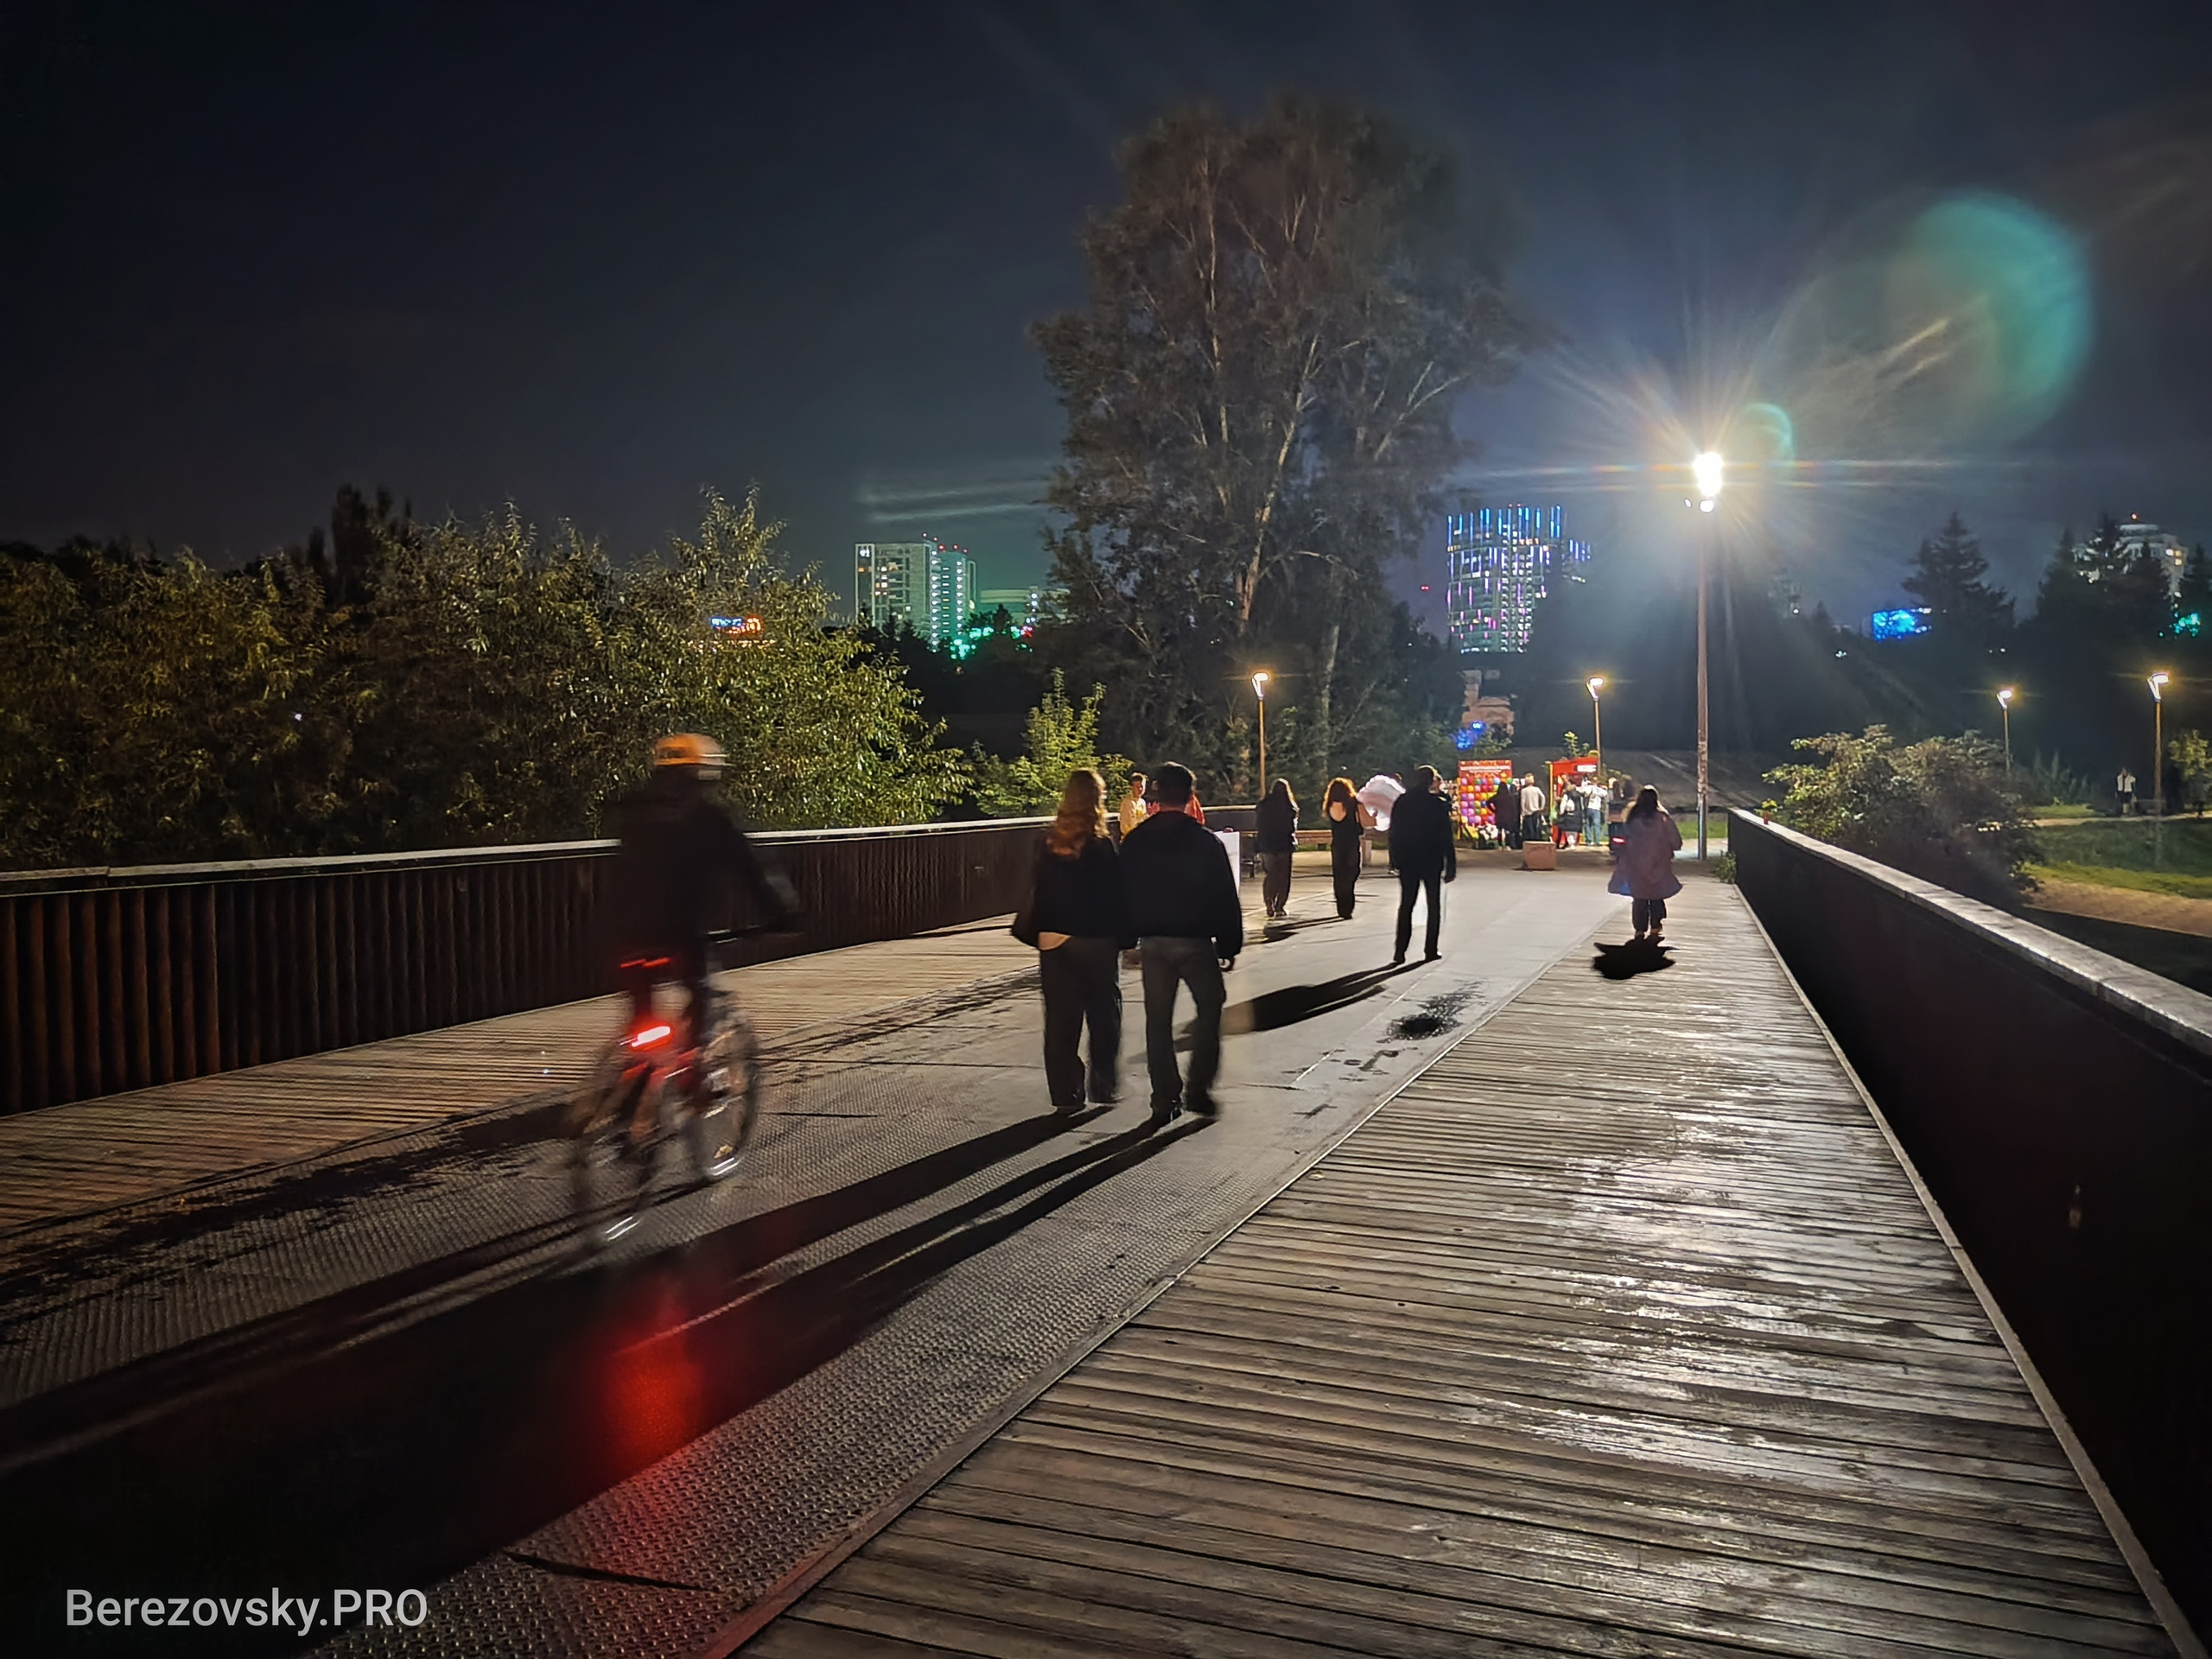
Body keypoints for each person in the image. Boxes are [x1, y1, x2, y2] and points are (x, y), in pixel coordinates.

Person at [602, 734, 797, 1046]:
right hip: (681, 933)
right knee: (701, 993)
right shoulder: (711, 820)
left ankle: (631, 1078)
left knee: (641, 1013)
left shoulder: (633, 810)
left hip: (622, 931)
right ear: (703, 775)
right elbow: (753, 870)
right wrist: (782, 914)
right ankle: (698, 1077)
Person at [1119, 763, 1242, 1121]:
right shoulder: (1206, 843)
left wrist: (1128, 940)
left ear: (1156, 796)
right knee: (1211, 1005)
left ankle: (1165, 1097)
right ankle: (1198, 1088)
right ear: (1190, 797)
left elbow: (1121, 892)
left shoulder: (1136, 842)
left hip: (1153, 942)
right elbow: (1224, 896)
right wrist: (1229, 944)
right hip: (1195, 941)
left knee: (1157, 1019)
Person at [1015, 768, 1131, 1110]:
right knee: (1104, 1015)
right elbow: (1115, 898)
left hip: (1054, 941)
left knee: (1061, 1021)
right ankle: (1103, 1085)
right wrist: (1127, 938)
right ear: (1096, 801)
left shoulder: (1046, 843)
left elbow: (1037, 890)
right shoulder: (1100, 845)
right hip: (1095, 940)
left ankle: (1065, 1093)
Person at [1387, 764, 1457, 964]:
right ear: (1432, 781)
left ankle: (1400, 951)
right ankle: (1430, 949)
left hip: (1408, 859)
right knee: (1433, 905)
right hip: (1431, 860)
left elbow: (1394, 833)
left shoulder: (1403, 802)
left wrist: (1394, 859)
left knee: (1406, 905)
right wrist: (1450, 864)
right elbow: (1446, 837)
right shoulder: (1437, 804)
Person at [1610, 785, 1684, 942]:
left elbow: (1624, 838)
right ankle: (1656, 926)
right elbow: (1676, 841)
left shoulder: (1633, 819)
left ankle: (1639, 929)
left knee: (1639, 897)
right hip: (1659, 863)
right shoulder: (1663, 819)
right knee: (1656, 894)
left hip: (1635, 864)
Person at [1255, 778, 1298, 918]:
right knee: (1283, 877)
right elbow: (1291, 828)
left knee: (1270, 875)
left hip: (1267, 845)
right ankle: (1280, 907)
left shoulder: (1263, 805)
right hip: (1284, 845)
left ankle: (1269, 901)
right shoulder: (1289, 807)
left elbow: (1259, 825)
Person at [1323, 776, 1365, 918]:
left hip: (1337, 844)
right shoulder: (1353, 804)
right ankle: (1348, 905)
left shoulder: (1329, 806)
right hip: (1352, 843)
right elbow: (1362, 823)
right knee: (1352, 872)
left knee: (1339, 875)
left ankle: (1341, 906)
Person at [1491, 776, 1522, 850]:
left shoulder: (1497, 797)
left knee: (1499, 831)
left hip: (1499, 816)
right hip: (1508, 817)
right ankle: (1508, 845)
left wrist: (1494, 810)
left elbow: (1488, 802)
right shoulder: (1510, 797)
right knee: (1507, 831)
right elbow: (1512, 807)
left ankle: (1500, 845)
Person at [1119, 772, 1149, 839]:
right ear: (1132, 788)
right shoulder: (1128, 803)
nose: (1140, 789)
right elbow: (1130, 824)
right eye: (1137, 787)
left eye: (1142, 786)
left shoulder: (1142, 802)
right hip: (1129, 838)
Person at [1520, 775, 1548, 845]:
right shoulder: (1537, 789)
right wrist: (1541, 807)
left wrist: (1523, 812)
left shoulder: (1523, 791)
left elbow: (1522, 802)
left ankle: (1529, 842)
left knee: (1529, 829)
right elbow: (1543, 797)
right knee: (1536, 828)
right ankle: (1537, 841)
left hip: (1527, 813)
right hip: (1536, 812)